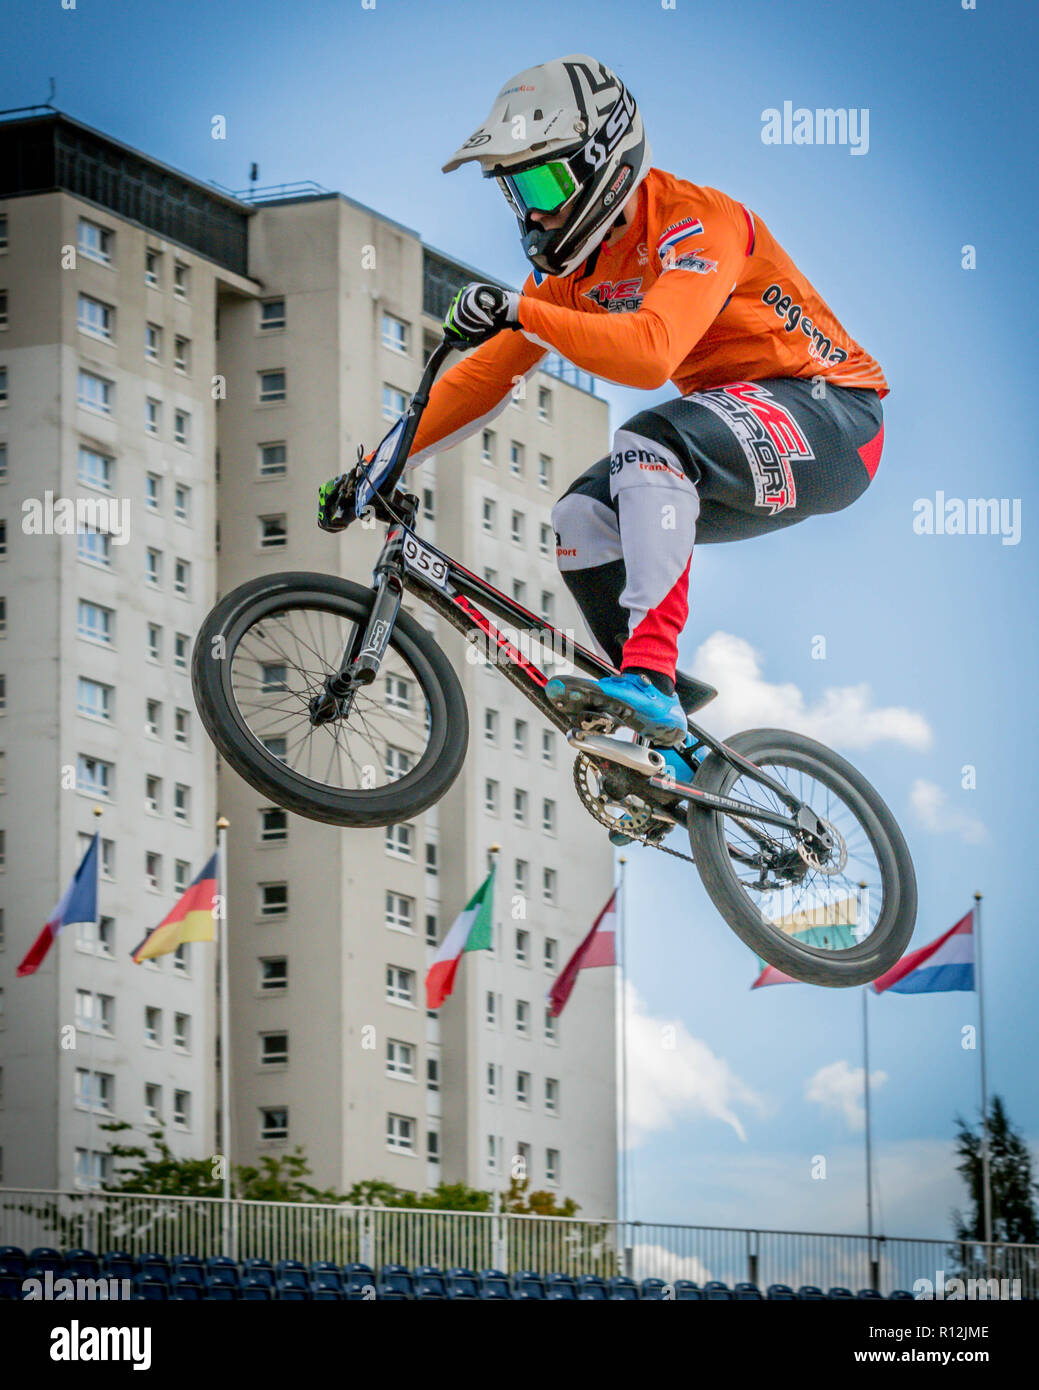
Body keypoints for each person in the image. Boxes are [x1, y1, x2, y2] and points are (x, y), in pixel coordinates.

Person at [335, 54, 888, 770]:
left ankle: (651, 680)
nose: (531, 212)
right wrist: (376, 466)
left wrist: (521, 310)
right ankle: (676, 749)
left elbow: (651, 354)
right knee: (581, 519)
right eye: (514, 191)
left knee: (648, 445)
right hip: (739, 430)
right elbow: (479, 380)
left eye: (541, 182)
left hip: (833, 418)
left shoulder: (697, 223)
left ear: (604, 162)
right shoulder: (569, 277)